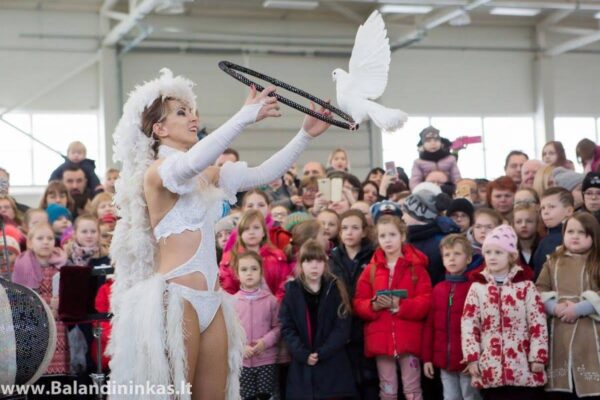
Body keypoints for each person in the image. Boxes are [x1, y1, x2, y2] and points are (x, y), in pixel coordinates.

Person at [107, 69, 331, 399]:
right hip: (175, 299)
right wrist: (243, 117)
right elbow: (190, 164)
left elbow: (263, 173)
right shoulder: (158, 172)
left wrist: (304, 136)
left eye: (193, 110)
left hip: (214, 301)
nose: (193, 118)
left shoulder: (208, 173)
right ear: (160, 128)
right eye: (181, 112)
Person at [462, 225, 548, 400]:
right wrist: (472, 357)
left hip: (523, 366)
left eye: (498, 252)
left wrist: (538, 356)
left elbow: (538, 323)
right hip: (490, 367)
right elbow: (469, 324)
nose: (492, 257)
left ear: (512, 256)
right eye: (488, 252)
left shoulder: (526, 287)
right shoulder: (477, 288)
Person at [354, 215, 432, 400]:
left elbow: (427, 300)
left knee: (412, 389)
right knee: (387, 390)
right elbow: (358, 301)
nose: (387, 240)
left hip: (409, 338)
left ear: (402, 236)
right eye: (382, 236)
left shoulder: (416, 268)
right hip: (381, 340)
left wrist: (402, 305)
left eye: (392, 235)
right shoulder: (370, 270)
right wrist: (372, 305)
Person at [279, 239, 356, 400]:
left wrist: (322, 352)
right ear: (300, 264)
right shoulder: (292, 291)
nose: (314, 266)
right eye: (308, 261)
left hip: (333, 366)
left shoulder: (335, 288)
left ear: (325, 263)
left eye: (318, 261)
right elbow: (287, 327)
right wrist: (303, 353)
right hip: (302, 367)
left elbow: (342, 327)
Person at [536, 213, 600, 399]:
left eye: (582, 232)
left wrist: (580, 309)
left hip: (590, 335)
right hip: (559, 335)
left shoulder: (597, 261)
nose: (575, 236)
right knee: (562, 390)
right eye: (570, 231)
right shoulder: (553, 261)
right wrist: (554, 308)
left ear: (594, 235)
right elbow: (539, 290)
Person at [422, 234, 481, 400]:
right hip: (444, 362)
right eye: (447, 255)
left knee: (470, 396)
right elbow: (430, 326)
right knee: (450, 397)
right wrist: (427, 358)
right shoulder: (438, 289)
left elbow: (480, 327)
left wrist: (476, 357)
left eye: (457, 254)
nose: (451, 259)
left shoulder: (475, 288)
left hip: (467, 363)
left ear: (468, 258)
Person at [329, 209, 378, 399]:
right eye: (345, 228)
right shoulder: (333, 258)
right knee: (346, 381)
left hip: (366, 324)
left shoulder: (373, 257)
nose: (349, 232)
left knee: (369, 379)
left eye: (355, 228)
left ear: (364, 232)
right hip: (341, 326)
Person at [12, 223, 69, 375]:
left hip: (59, 323)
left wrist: (61, 303)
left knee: (60, 368)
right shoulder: (22, 265)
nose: (46, 242)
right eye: (40, 238)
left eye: (50, 238)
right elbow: (21, 296)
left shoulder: (61, 265)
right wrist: (48, 303)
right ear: (30, 243)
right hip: (35, 321)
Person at [233, 251, 281, 400]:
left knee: (266, 396)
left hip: (266, 360)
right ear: (237, 273)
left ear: (261, 272)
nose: (249, 273)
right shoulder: (232, 302)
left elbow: (279, 327)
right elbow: (230, 331)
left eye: (254, 269)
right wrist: (241, 348)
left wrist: (264, 342)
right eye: (244, 269)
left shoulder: (271, 300)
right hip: (243, 362)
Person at [219, 209, 291, 297]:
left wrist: (275, 306)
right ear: (240, 233)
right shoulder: (229, 259)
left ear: (264, 232)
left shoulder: (277, 256)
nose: (251, 232)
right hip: (239, 308)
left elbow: (283, 288)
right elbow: (227, 291)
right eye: (246, 229)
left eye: (256, 227)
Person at [532, 187, 575, 278]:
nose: (545, 212)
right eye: (543, 208)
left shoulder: (567, 239)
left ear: (569, 211)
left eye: (551, 207)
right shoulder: (546, 238)